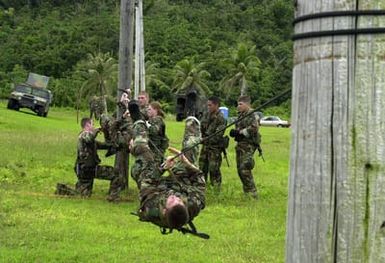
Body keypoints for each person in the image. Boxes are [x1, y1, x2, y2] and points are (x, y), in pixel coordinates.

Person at [129, 112, 206, 236]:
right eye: (179, 201)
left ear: (164, 210)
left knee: (142, 150)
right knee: (191, 146)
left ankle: (137, 121)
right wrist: (186, 163)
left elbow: (147, 181)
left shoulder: (151, 208)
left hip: (153, 183)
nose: (175, 197)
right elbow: (200, 181)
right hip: (179, 181)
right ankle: (192, 116)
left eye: (171, 201)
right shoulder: (193, 205)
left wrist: (162, 168)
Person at [55, 117, 121, 201]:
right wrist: (97, 130)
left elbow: (102, 145)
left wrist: (114, 144)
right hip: (87, 168)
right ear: (87, 125)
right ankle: (113, 197)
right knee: (115, 174)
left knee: (83, 195)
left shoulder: (88, 138)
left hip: (86, 169)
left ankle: (62, 190)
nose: (93, 126)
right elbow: (89, 138)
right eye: (92, 124)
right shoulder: (83, 135)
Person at [229, 95, 260, 199]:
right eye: (238, 104)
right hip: (241, 145)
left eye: (241, 104)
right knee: (239, 169)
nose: (238, 106)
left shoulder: (252, 114)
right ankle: (247, 193)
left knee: (244, 168)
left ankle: (253, 194)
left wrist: (240, 132)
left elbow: (254, 128)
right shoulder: (240, 115)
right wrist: (236, 133)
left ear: (247, 104)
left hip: (249, 145)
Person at [198, 96, 226, 190]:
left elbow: (218, 135)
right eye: (207, 105)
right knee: (202, 168)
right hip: (205, 147)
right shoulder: (206, 115)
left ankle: (216, 189)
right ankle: (202, 188)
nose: (208, 107)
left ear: (216, 105)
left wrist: (204, 139)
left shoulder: (221, 118)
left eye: (210, 105)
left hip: (215, 148)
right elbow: (201, 128)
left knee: (214, 169)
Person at [147, 101, 169, 167]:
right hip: (152, 150)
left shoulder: (158, 120)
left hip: (156, 151)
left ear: (155, 110)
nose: (148, 111)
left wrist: (147, 125)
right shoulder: (152, 120)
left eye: (149, 109)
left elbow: (154, 131)